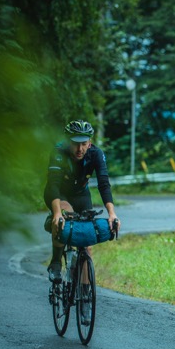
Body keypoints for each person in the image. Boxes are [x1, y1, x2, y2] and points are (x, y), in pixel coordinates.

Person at [44, 120, 120, 283]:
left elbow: (104, 184)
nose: (80, 149)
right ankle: (56, 263)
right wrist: (57, 213)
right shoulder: (58, 152)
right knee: (64, 217)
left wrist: (112, 214)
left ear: (89, 142)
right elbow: (53, 184)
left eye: (84, 144)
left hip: (81, 195)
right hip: (59, 194)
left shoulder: (96, 154)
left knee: (86, 243)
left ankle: (85, 292)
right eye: (75, 144)